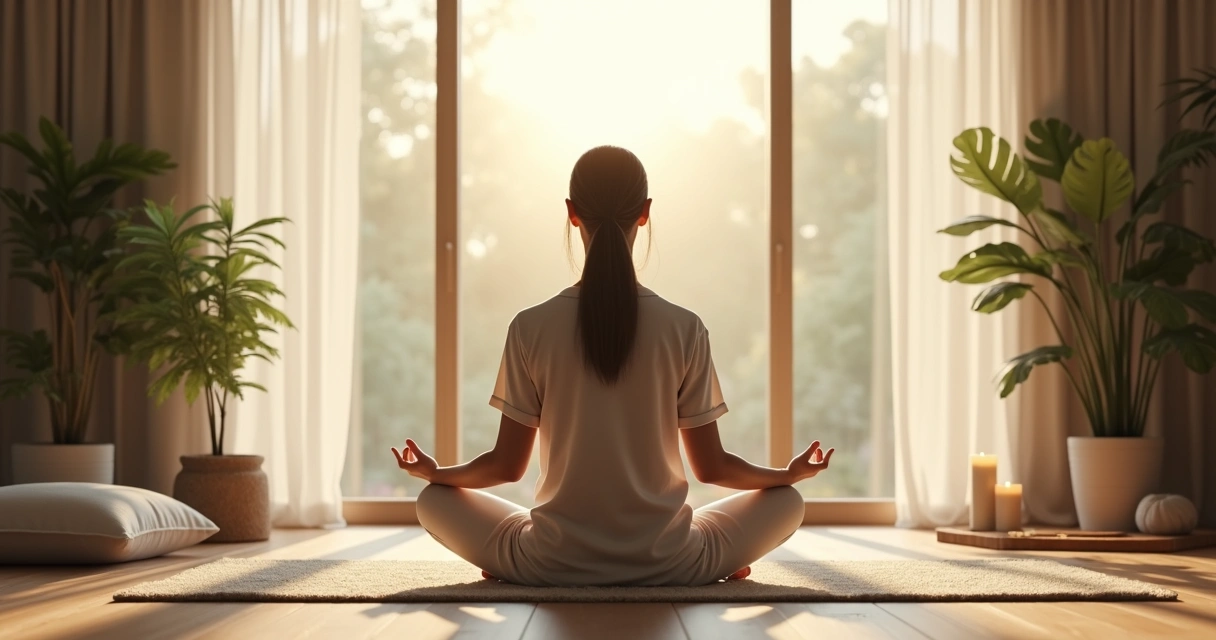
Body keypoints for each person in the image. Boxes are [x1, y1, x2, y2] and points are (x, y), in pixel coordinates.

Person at [391, 145, 834, 587]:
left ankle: (510, 565)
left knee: (434, 500)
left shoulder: (530, 326)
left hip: (549, 563)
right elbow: (712, 468)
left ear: (571, 212)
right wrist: (785, 475)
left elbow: (507, 467)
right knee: (787, 501)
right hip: (671, 563)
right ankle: (715, 564)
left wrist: (438, 474)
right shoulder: (685, 328)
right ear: (644, 213)